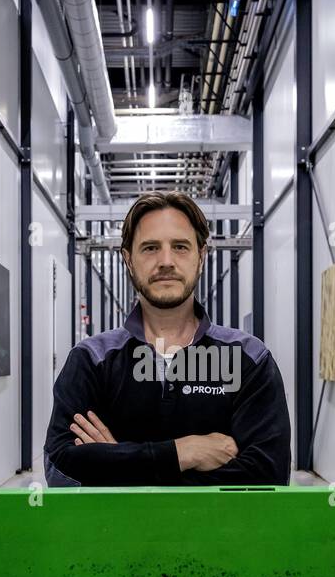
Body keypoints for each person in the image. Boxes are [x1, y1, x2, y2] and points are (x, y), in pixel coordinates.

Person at [43, 190, 291, 487]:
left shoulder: (247, 358)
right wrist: (181, 453)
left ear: (201, 256)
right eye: (149, 248)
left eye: (180, 247)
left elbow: (267, 476)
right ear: (128, 260)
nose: (166, 261)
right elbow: (61, 470)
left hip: (219, 534)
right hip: (113, 535)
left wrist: (117, 462)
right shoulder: (91, 360)